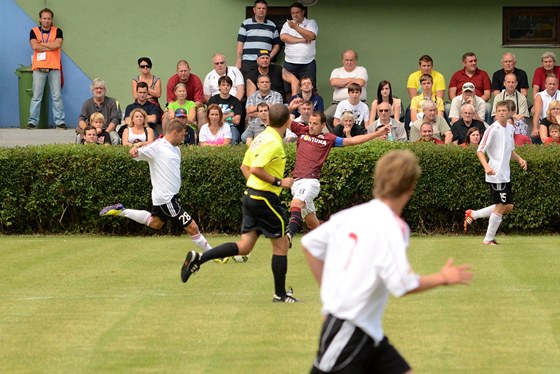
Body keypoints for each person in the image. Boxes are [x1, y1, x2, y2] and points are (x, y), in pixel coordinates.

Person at [302, 149, 473, 373]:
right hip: (349, 329)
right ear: (411, 188)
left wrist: (330, 296)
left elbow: (310, 245)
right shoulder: (394, 227)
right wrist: (443, 277)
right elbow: (403, 284)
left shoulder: (351, 215)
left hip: (368, 332)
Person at [180, 104, 299, 303]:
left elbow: (245, 166)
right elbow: (256, 169)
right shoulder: (274, 143)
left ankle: (199, 258)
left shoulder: (261, 137)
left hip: (251, 195)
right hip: (265, 198)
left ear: (268, 119)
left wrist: (254, 186)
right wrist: (280, 182)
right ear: (288, 122)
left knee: (244, 247)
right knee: (281, 246)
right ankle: (280, 294)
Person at [100, 119, 213, 263]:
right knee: (192, 227)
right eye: (182, 135)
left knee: (156, 223)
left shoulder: (176, 149)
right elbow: (134, 153)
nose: (184, 138)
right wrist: (134, 149)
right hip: (166, 199)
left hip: (165, 197)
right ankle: (214, 255)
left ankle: (122, 210)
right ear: (174, 133)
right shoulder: (157, 147)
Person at [285, 111, 389, 241]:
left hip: (310, 182)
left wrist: (377, 133)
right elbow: (283, 119)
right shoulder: (302, 130)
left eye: (315, 124)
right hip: (297, 183)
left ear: (323, 125)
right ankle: (333, 237)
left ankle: (288, 235)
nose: (311, 126)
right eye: (310, 122)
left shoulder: (329, 139)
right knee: (313, 224)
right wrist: (289, 108)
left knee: (296, 203)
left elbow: (352, 141)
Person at [464, 100, 528, 245]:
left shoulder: (510, 128)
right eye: (499, 111)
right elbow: (480, 151)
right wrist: (486, 167)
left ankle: (474, 214)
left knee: (508, 206)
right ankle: (488, 239)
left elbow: (510, 150)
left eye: (504, 111)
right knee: (501, 205)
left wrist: (520, 159)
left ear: (510, 113)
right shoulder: (492, 129)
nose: (501, 113)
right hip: (496, 174)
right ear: (495, 113)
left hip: (506, 174)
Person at [27, 8, 66, 130]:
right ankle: (33, 122)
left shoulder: (57, 31)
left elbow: (58, 44)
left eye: (49, 18)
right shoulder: (33, 31)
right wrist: (50, 46)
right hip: (39, 68)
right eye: (44, 18)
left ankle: (60, 122)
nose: (47, 20)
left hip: (54, 68)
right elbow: (34, 46)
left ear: (51, 19)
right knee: (36, 96)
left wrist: (41, 44)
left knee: (57, 96)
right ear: (40, 19)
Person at [236, 0, 281, 78]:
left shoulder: (272, 25)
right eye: (259, 8)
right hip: (248, 62)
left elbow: (277, 45)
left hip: (264, 63)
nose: (261, 10)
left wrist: (269, 57)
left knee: (264, 86)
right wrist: (238, 60)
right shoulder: (246, 24)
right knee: (248, 87)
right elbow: (240, 43)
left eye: (264, 8)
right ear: (254, 10)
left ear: (266, 10)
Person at [325, 50, 368, 129]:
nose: (349, 62)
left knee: (368, 118)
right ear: (343, 60)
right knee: (326, 116)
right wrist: (352, 80)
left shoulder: (361, 70)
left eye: (351, 60)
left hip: (359, 104)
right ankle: (336, 135)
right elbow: (333, 83)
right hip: (338, 104)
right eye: (346, 60)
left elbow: (360, 83)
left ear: (355, 60)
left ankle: (360, 136)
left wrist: (341, 83)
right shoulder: (336, 71)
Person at [280, 2, 319, 85]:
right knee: (288, 89)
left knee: (309, 88)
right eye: (293, 13)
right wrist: (302, 39)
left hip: (307, 63)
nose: (295, 15)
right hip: (289, 62)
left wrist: (296, 27)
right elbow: (283, 37)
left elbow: (311, 36)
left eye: (297, 12)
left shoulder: (310, 23)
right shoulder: (287, 24)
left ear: (303, 12)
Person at [78, 78, 122, 145]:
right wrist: (89, 132)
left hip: (108, 130)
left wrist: (105, 133)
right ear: (92, 90)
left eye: (101, 88)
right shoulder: (86, 103)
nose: (99, 90)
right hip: (91, 131)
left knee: (115, 138)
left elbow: (115, 119)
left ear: (105, 90)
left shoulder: (113, 102)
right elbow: (81, 119)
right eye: (96, 88)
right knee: (79, 137)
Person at [166, 60, 205, 127]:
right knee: (165, 116)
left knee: (201, 113)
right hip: (176, 106)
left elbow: (199, 102)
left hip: (193, 106)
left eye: (185, 70)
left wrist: (187, 110)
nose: (183, 73)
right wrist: (179, 112)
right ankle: (166, 136)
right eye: (181, 71)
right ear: (177, 72)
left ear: (189, 70)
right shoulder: (172, 81)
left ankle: (201, 136)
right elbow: (170, 101)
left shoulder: (196, 80)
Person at [208, 76, 243, 143]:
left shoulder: (236, 101)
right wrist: (230, 114)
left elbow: (237, 120)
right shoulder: (213, 100)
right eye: (223, 85)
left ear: (230, 87)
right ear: (219, 86)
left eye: (228, 85)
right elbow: (211, 118)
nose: (225, 87)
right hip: (216, 126)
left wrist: (222, 117)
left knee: (235, 139)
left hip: (231, 127)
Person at [532, 75, 560, 141]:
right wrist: (535, 128)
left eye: (554, 84)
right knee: (536, 138)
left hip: (558, 122)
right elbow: (537, 114)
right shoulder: (540, 96)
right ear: (545, 85)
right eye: (550, 84)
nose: (552, 86)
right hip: (545, 123)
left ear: (557, 85)